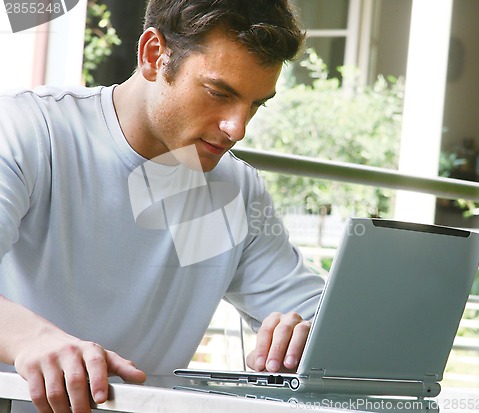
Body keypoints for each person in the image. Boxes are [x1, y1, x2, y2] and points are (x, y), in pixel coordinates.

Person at [0, 1, 325, 412]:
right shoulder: (30, 132)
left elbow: (329, 322)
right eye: (219, 93)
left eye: (256, 104)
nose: (237, 128)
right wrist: (34, 340)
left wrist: (305, 334)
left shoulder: (228, 190)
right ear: (154, 55)